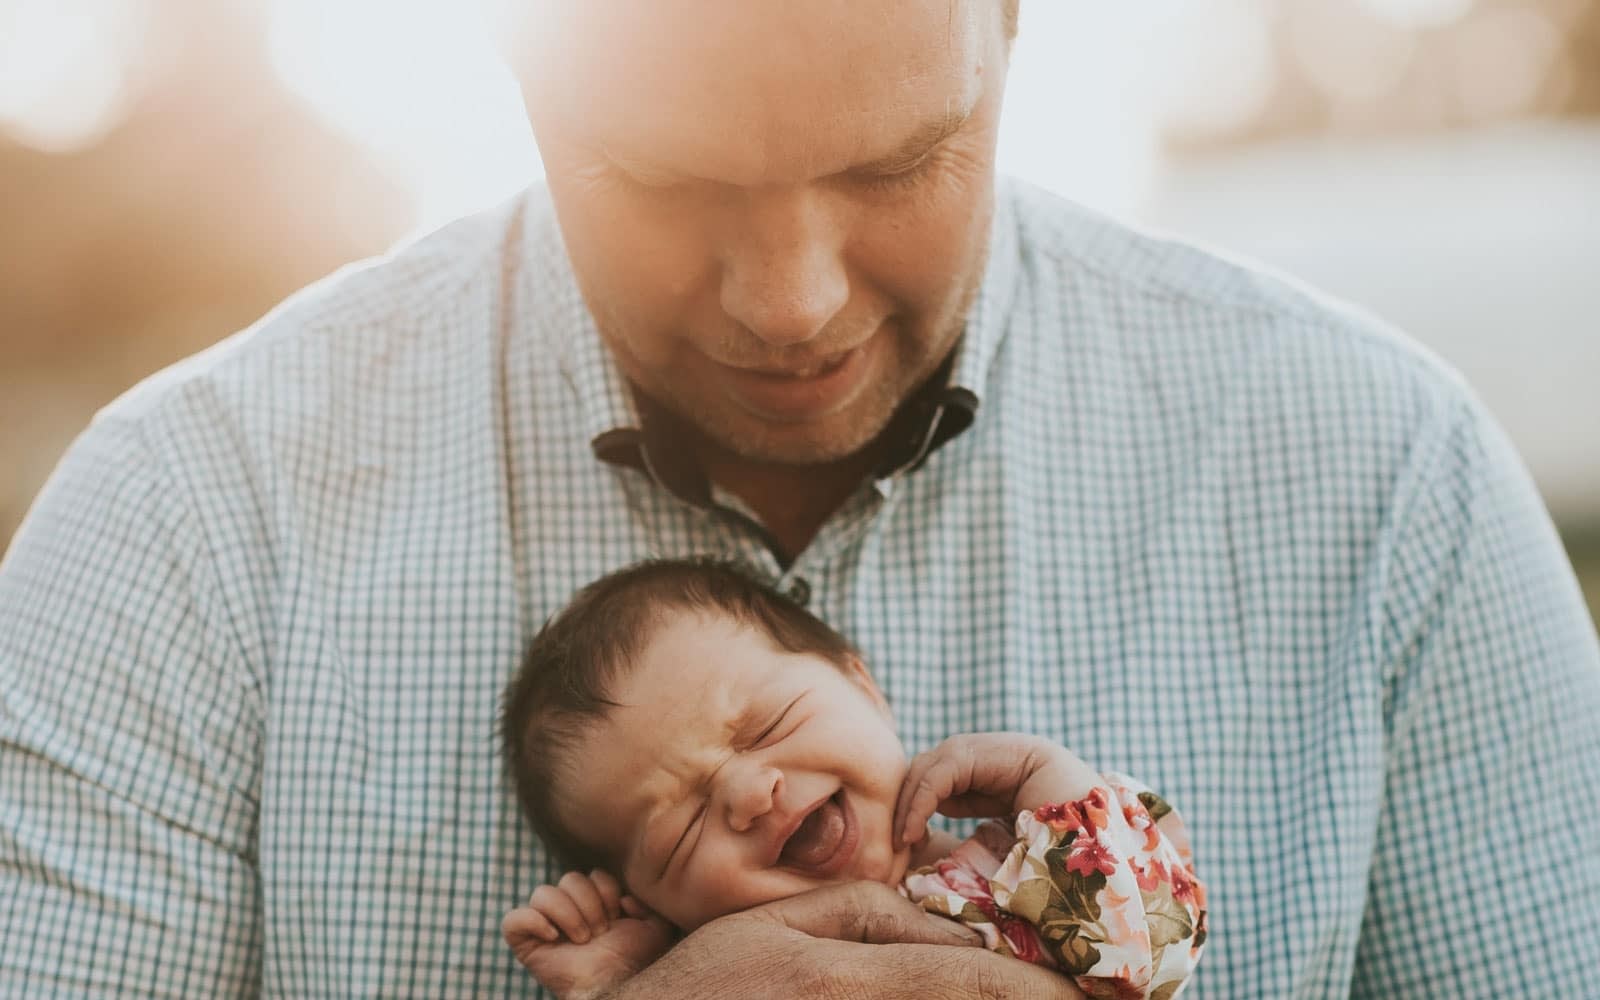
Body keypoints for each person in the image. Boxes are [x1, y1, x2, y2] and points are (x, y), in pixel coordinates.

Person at [1, 0, 1597, 996]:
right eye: (670, 180)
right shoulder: (189, 524)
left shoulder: (1386, 479)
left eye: (897, 162)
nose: (791, 300)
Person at [496, 558, 1207, 999]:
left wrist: (1047, 783)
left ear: (862, 687)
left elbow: (1153, 955)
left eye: (769, 725)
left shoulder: (1015, 867)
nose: (749, 793)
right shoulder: (724, 981)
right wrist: (618, 986)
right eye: (680, 831)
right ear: (653, 903)